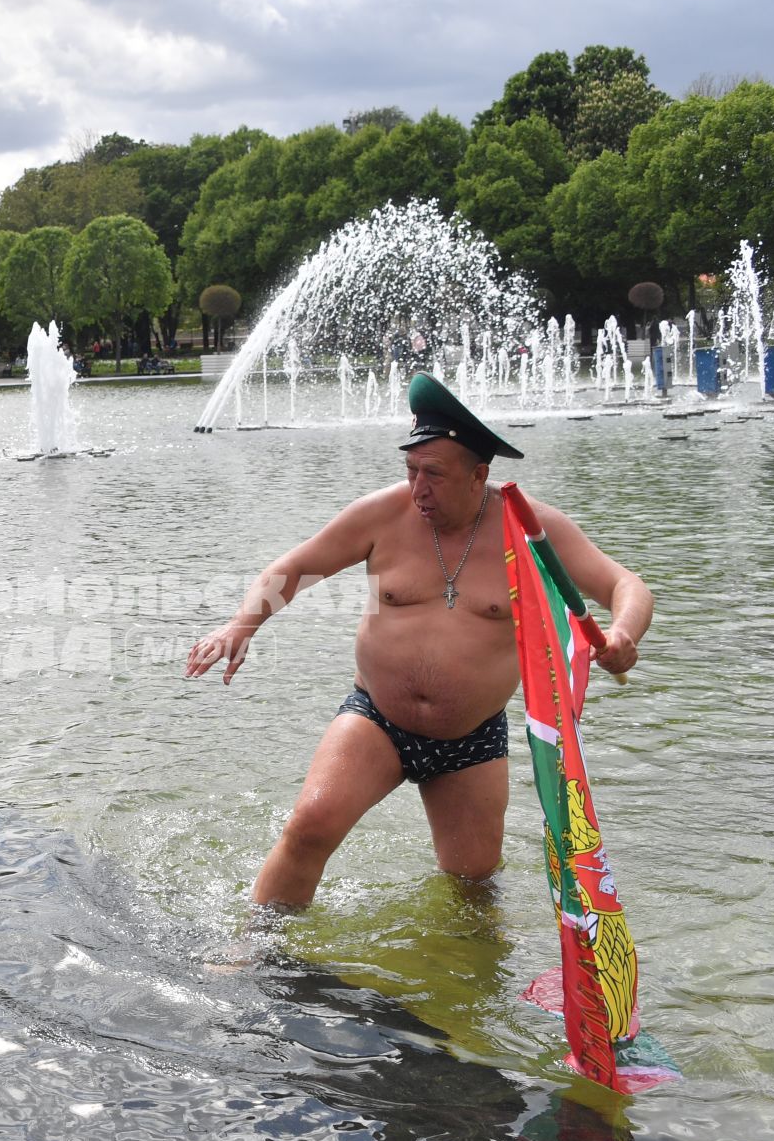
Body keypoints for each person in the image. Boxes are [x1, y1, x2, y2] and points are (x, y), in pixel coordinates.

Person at [185, 374, 651, 911]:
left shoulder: (531, 529)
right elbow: (295, 567)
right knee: (309, 829)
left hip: (471, 739)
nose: (418, 489)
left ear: (479, 475)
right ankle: (255, 956)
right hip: (377, 718)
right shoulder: (383, 515)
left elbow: (626, 586)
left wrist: (622, 633)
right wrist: (241, 625)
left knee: (472, 885)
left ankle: (468, 987)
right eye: (410, 471)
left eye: (434, 474)